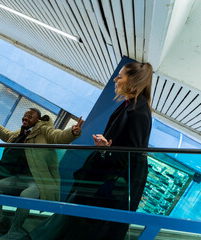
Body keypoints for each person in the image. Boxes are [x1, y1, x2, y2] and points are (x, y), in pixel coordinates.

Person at [22, 62, 153, 240]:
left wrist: (105, 150)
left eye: (120, 76)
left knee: (73, 221)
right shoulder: (130, 106)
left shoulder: (138, 112)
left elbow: (131, 158)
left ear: (133, 80)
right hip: (103, 183)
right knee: (68, 218)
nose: (115, 79)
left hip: (108, 187)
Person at [0, 108, 83, 239]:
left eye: (30, 116)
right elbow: (6, 135)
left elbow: (58, 136)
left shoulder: (44, 130)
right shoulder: (22, 132)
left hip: (39, 180)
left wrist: (72, 132)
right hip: (21, 178)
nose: (26, 117)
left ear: (37, 120)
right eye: (25, 115)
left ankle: (14, 231)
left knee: (25, 196)